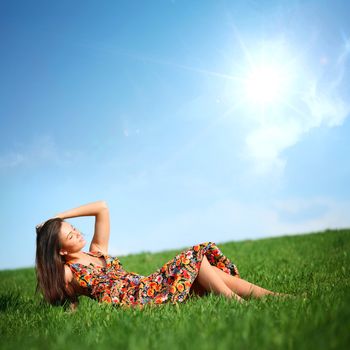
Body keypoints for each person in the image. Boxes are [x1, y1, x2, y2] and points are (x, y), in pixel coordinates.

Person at [35, 200, 289, 312]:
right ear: (61, 250)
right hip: (135, 300)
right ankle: (239, 306)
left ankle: (277, 298)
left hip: (147, 286)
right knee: (196, 258)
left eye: (75, 230)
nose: (78, 234)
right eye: (70, 236)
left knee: (210, 270)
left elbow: (102, 206)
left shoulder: (97, 250)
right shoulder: (68, 271)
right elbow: (58, 294)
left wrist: (59, 218)